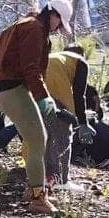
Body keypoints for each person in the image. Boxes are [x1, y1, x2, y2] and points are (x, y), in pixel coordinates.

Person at [0, 0, 74, 214]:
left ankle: (33, 187)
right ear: (52, 14)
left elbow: (0, 60)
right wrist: (42, 96)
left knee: (35, 138)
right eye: (58, 22)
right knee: (38, 139)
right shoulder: (35, 29)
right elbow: (31, 68)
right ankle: (38, 197)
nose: (57, 29)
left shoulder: (22, 24)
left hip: (4, 90)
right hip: (14, 89)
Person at [42, 46, 95, 191]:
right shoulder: (81, 63)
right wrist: (83, 123)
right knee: (63, 134)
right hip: (55, 93)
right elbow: (79, 96)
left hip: (37, 90)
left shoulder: (57, 57)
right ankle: (61, 180)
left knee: (47, 135)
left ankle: (47, 177)